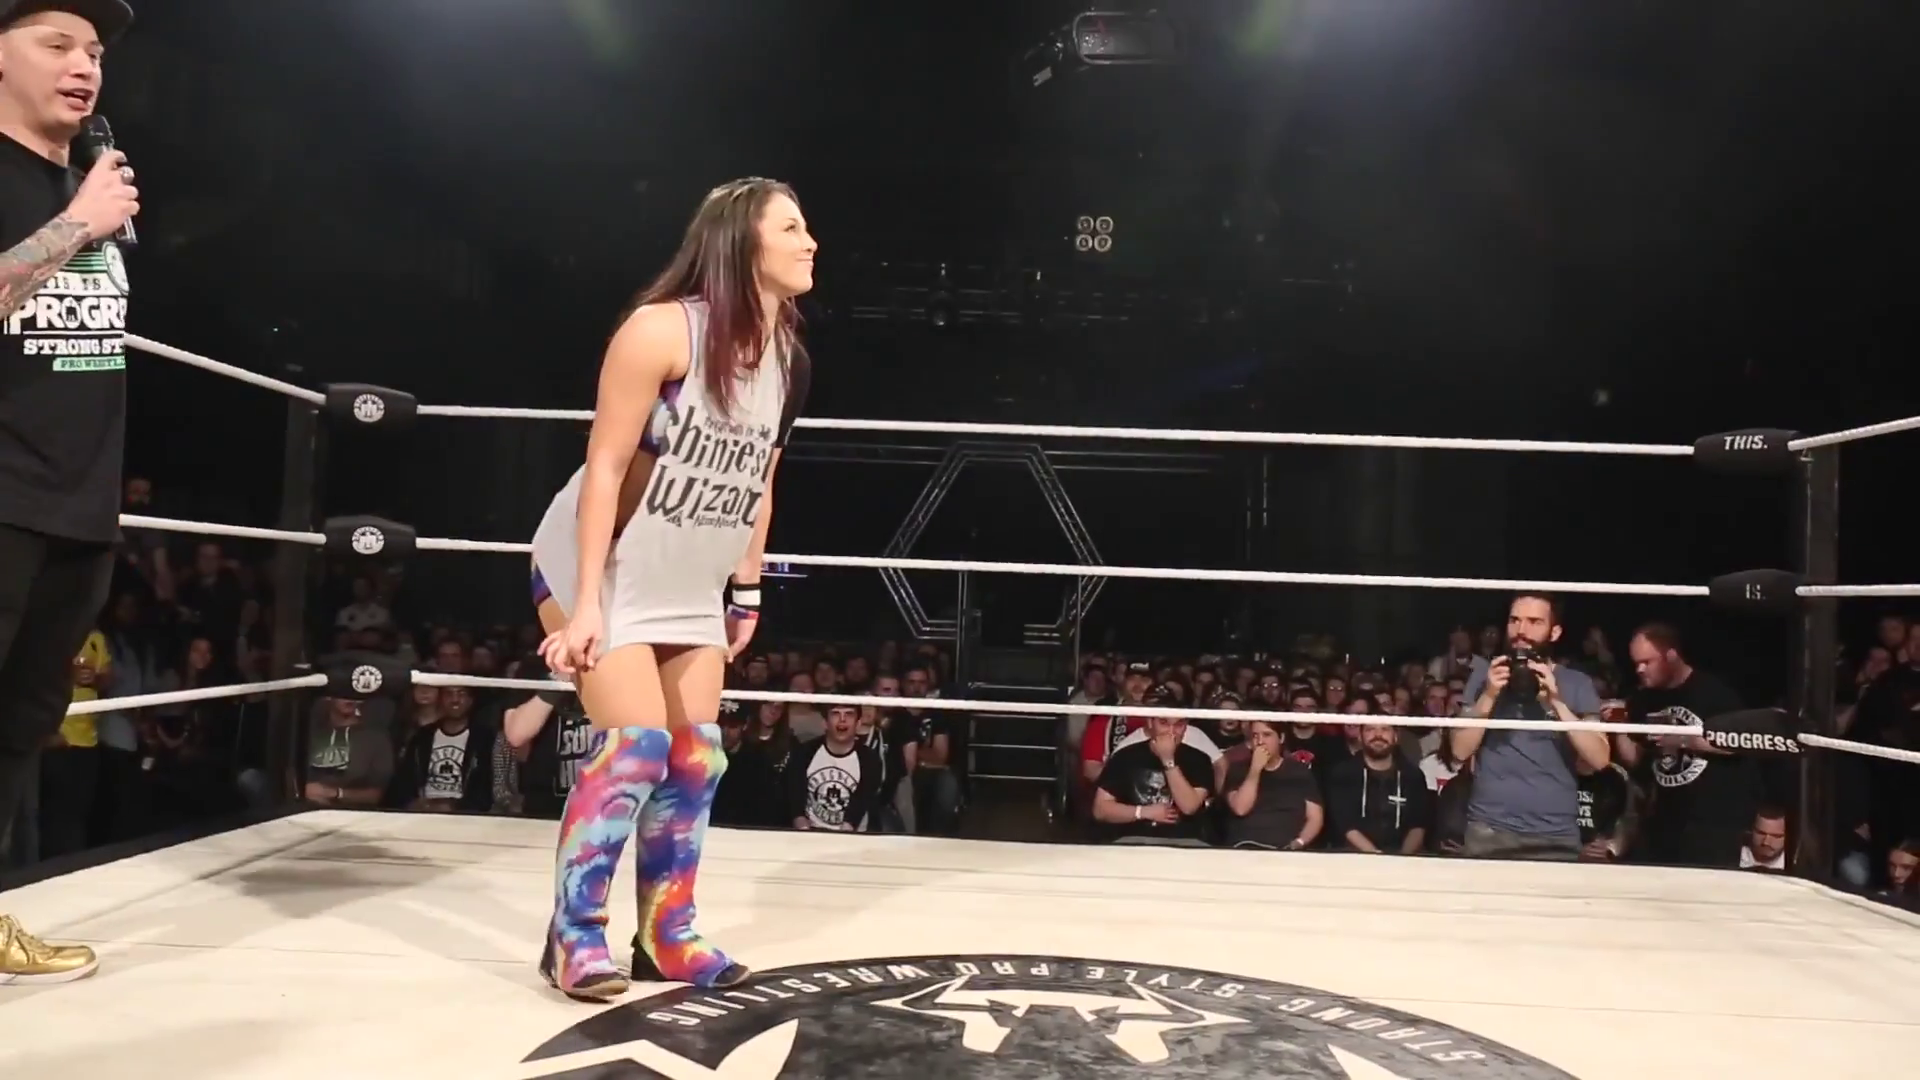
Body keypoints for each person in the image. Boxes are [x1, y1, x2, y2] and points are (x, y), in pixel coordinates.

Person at [528, 177, 814, 1001]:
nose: (810, 243)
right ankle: (574, 938)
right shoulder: (661, 331)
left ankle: (666, 934)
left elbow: (760, 480)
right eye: (791, 229)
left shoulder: (788, 361)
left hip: (688, 573)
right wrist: (586, 604)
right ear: (741, 242)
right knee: (636, 747)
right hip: (605, 561)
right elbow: (605, 466)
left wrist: (747, 589)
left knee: (695, 755)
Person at [0, 0, 138, 988]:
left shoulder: (88, 180)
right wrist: (76, 226)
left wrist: (88, 210)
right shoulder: (61, 198)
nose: (83, 64)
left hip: (78, 503)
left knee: (20, 727)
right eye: (57, 44)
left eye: (92, 51)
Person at [1450, 594, 1609, 861]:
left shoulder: (1576, 682)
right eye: (1515, 620)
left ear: (1554, 632)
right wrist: (1488, 695)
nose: (1521, 630)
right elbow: (1459, 751)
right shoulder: (1483, 677)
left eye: (1534, 622)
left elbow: (1600, 758)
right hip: (1490, 830)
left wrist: (1556, 702)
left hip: (1555, 833)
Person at [1614, 623, 1754, 868]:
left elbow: (1740, 744)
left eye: (1647, 662)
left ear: (1671, 656)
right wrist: (1619, 725)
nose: (1640, 669)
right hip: (1663, 820)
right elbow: (1634, 759)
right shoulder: (1643, 698)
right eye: (1636, 663)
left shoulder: (1714, 693)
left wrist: (1683, 739)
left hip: (1712, 822)